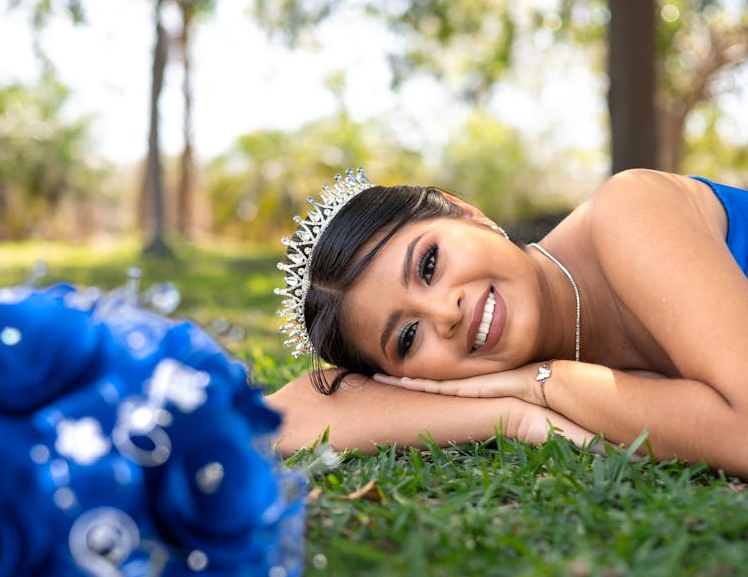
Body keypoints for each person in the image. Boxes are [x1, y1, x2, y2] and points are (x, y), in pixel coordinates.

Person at [266, 167, 748, 477]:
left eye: (429, 264)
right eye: (408, 336)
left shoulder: (630, 208)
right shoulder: (467, 371)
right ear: (404, 379)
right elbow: (282, 418)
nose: (445, 313)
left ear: (467, 213)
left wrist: (546, 384)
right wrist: (512, 414)